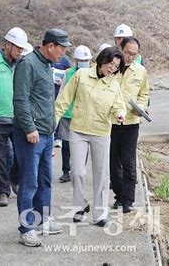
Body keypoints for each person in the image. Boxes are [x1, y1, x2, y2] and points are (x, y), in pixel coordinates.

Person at [55, 47, 126, 227]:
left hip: (101, 132)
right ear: (103, 59)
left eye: (116, 66)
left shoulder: (114, 85)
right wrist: (52, 123)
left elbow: (119, 105)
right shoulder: (81, 75)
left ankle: (100, 214)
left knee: (102, 175)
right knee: (76, 172)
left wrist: (120, 113)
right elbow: (64, 100)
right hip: (78, 129)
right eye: (111, 63)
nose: (112, 68)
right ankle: (80, 205)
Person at [12, 29, 71, 247]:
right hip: (30, 134)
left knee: (45, 180)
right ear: (50, 46)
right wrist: (29, 128)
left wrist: (51, 132)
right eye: (62, 48)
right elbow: (20, 100)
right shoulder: (28, 64)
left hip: (45, 134)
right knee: (29, 182)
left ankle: (43, 219)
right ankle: (26, 228)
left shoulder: (47, 64)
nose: (63, 53)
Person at [0, 28, 33, 207]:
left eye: (22, 48)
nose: (20, 51)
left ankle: (14, 179)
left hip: (18, 118)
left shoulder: (23, 63)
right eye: (17, 47)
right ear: (8, 44)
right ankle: (2, 191)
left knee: (20, 156)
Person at [110, 37, 149, 214]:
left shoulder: (140, 71)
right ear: (120, 48)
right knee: (113, 161)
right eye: (127, 53)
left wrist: (141, 107)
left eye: (134, 54)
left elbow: (144, 94)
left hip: (131, 122)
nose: (130, 57)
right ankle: (118, 196)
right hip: (110, 121)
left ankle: (128, 200)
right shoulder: (110, 67)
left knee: (128, 161)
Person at [57, 45, 93, 183]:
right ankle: (66, 171)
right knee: (66, 145)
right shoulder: (69, 73)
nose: (84, 62)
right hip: (68, 114)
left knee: (83, 144)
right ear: (76, 60)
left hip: (85, 114)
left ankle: (79, 171)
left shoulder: (94, 73)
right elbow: (62, 92)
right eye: (81, 59)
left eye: (86, 59)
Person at [52, 54, 72, 148]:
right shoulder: (49, 59)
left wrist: (62, 80)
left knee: (59, 113)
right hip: (51, 90)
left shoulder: (65, 60)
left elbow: (68, 72)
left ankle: (58, 137)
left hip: (59, 89)